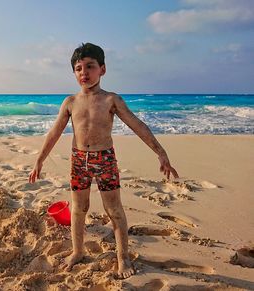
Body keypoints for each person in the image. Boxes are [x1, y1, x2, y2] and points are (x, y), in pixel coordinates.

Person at [28, 42, 179, 279]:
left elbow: (137, 125)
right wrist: (39, 160)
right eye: (78, 68)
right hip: (79, 160)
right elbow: (55, 132)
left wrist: (160, 152)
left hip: (105, 159)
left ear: (103, 69)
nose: (84, 73)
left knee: (114, 211)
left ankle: (123, 258)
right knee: (79, 209)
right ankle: (78, 251)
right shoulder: (70, 102)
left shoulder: (111, 99)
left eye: (90, 66)